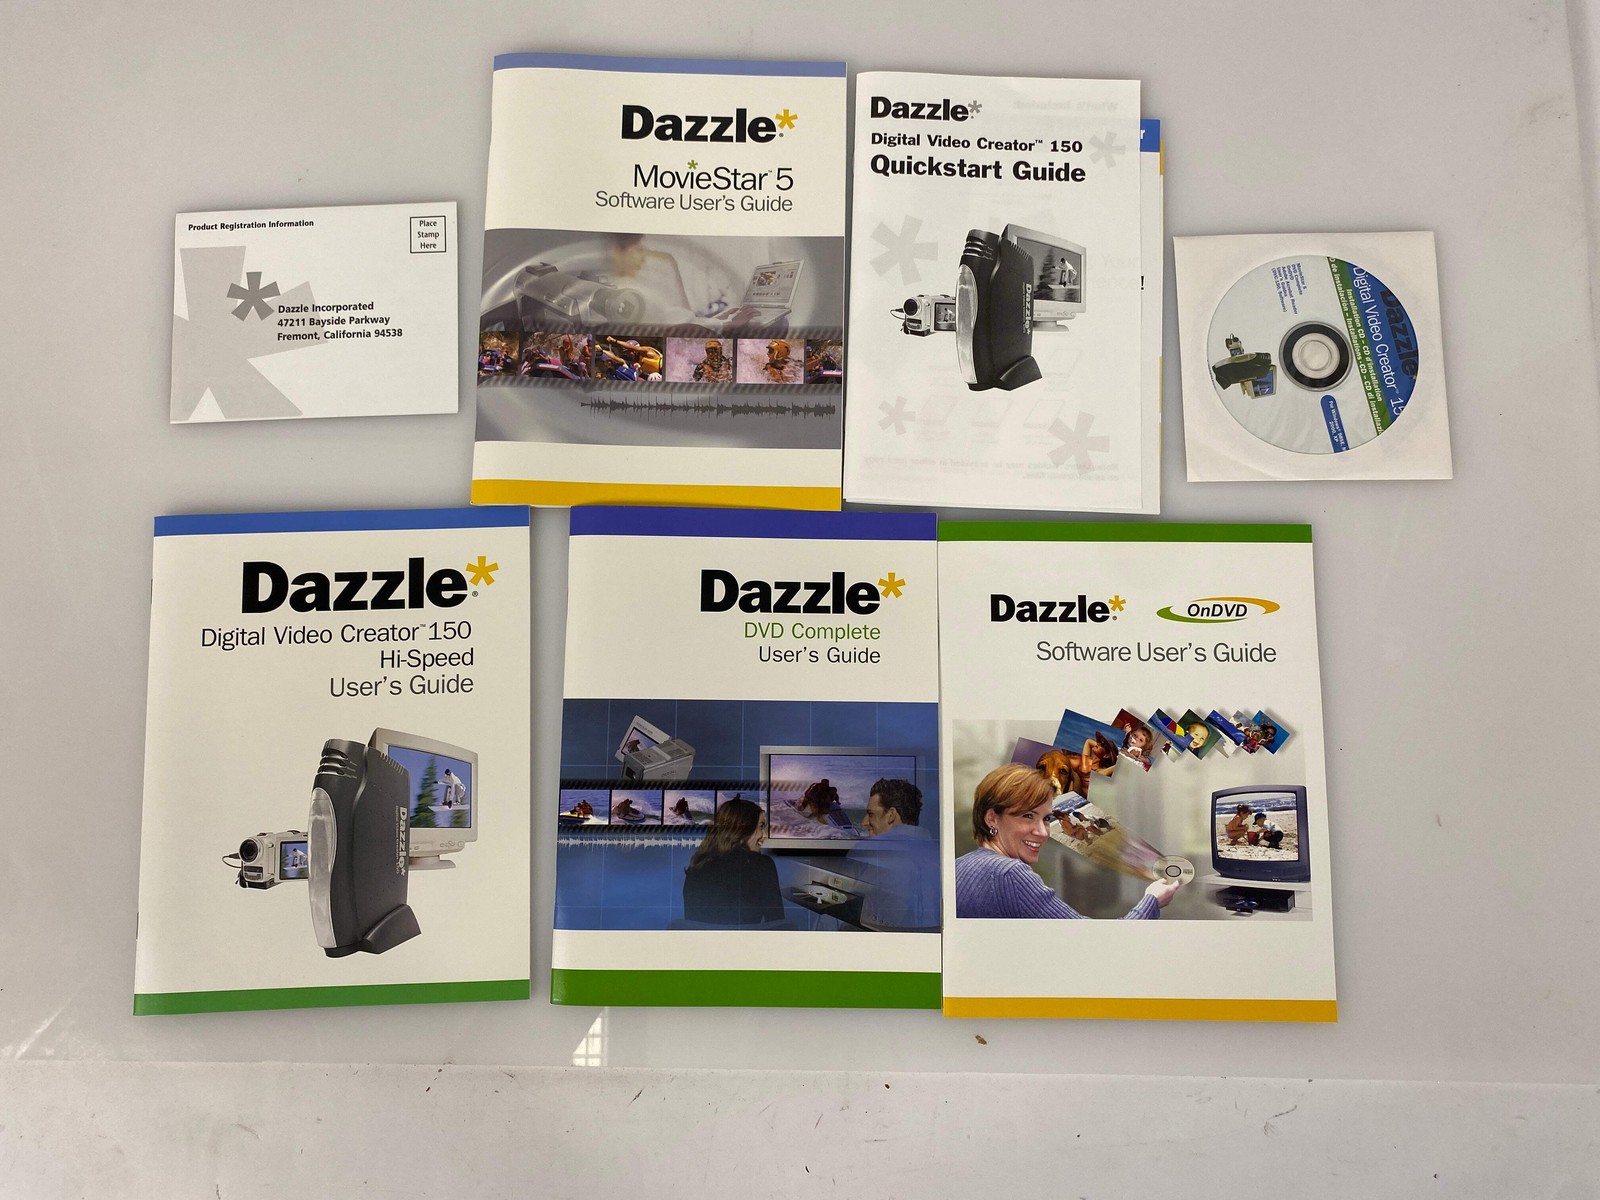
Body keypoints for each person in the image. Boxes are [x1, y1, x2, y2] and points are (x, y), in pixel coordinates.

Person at [954, 764, 1178, 919]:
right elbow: (1094, 944)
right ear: (992, 818)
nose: (1043, 832)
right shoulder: (1009, 873)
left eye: (1046, 819)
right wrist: (1152, 901)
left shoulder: (958, 866)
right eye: (1027, 816)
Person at [851, 778, 939, 931]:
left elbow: (844, 906)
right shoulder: (941, 854)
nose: (865, 822)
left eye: (871, 814)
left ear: (891, 815)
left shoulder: (871, 850)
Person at [682, 797, 785, 926]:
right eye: (761, 827)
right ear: (742, 830)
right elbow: (777, 924)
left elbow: (693, 928)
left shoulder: (696, 867)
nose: (764, 836)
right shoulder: (763, 865)